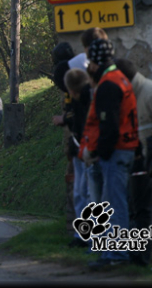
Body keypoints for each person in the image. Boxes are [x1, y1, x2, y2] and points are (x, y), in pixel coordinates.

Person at [79, 39, 139, 270]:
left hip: (116, 151)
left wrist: (98, 153)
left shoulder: (108, 84)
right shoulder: (121, 78)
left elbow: (109, 125)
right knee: (115, 202)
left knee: (114, 204)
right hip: (126, 147)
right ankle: (114, 252)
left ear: (94, 62)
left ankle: (117, 254)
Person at [114, 57, 152, 266]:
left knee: (151, 209)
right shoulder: (127, 95)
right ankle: (134, 253)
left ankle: (149, 257)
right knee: (134, 208)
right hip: (136, 160)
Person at [53, 68, 92, 248]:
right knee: (81, 193)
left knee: (85, 193)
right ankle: (83, 234)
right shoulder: (84, 98)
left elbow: (82, 121)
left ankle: (86, 236)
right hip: (80, 146)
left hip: (86, 148)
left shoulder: (85, 99)